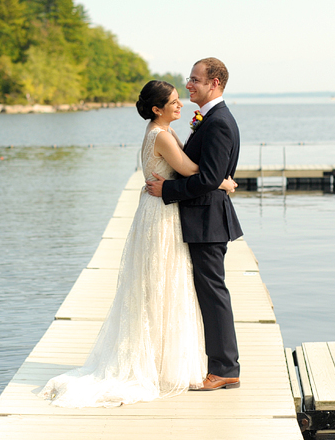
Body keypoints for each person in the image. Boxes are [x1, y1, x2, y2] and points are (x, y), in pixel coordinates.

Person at [39, 80, 237, 408]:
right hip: (161, 217)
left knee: (161, 286)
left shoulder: (159, 131)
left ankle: (161, 359)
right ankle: (156, 363)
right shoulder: (160, 135)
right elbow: (190, 170)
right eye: (173, 101)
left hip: (159, 211)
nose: (181, 105)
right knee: (161, 285)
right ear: (157, 109)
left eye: (179, 99)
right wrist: (223, 181)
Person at [146, 57, 243, 391]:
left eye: (194, 80)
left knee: (213, 294)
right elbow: (215, 175)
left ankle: (225, 368)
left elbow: (209, 178)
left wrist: (167, 189)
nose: (189, 85)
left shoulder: (218, 122)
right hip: (202, 218)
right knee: (208, 292)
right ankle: (220, 365)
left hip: (208, 220)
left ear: (214, 83)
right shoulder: (211, 119)